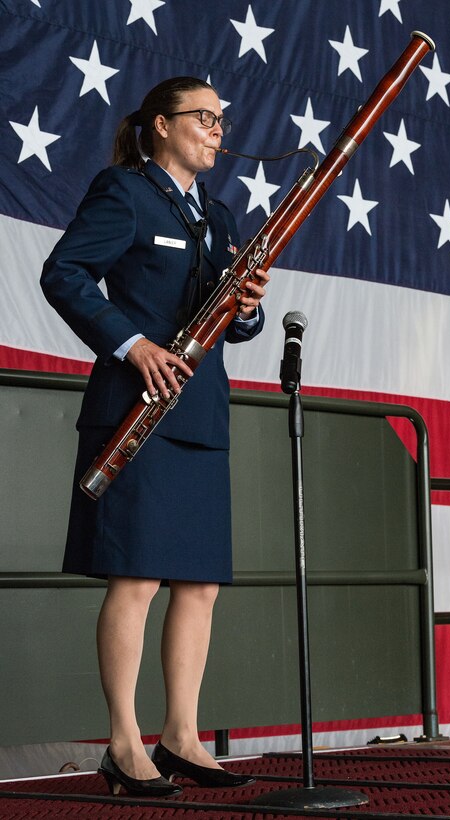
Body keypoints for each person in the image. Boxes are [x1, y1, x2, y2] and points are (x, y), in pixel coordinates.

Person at [40, 76, 269, 797]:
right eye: (203, 117)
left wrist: (248, 309)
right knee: (136, 579)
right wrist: (131, 343)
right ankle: (122, 743)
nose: (217, 130)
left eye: (221, 119)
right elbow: (65, 274)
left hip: (198, 416)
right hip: (135, 410)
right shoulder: (125, 191)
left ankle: (181, 737)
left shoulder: (221, 216)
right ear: (162, 125)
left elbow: (233, 322)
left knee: (199, 585)